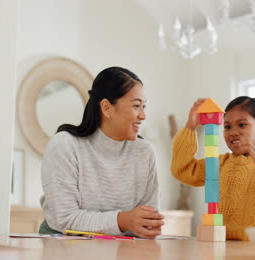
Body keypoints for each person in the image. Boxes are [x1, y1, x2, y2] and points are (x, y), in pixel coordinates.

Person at [39, 66, 164, 239]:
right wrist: (123, 220)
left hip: (122, 246)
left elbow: (147, 220)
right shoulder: (65, 145)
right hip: (64, 244)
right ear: (106, 108)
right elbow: (65, 219)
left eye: (144, 106)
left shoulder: (145, 152)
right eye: (136, 106)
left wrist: (147, 225)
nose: (143, 115)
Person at [171, 96, 255, 241]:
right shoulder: (219, 162)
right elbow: (183, 170)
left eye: (242, 125)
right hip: (221, 245)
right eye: (227, 127)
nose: (233, 132)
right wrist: (190, 126)